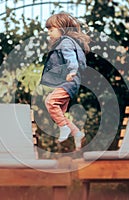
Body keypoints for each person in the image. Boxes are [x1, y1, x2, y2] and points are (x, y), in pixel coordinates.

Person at [40, 12, 90, 150]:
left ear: (61, 29)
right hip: (68, 81)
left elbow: (71, 58)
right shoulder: (63, 42)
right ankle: (76, 133)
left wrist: (72, 71)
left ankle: (64, 128)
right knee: (57, 112)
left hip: (70, 81)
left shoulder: (65, 42)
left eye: (51, 30)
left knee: (50, 102)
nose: (49, 33)